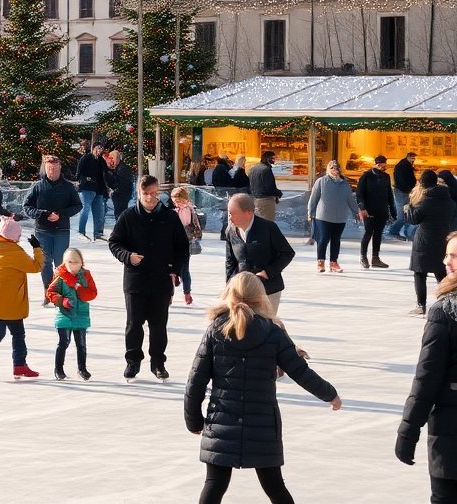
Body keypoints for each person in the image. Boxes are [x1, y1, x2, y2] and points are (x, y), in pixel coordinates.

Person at [184, 272, 341, 504]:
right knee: (275, 487)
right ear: (260, 297)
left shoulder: (215, 331)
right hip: (262, 425)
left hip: (221, 421)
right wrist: (331, 395)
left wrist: (194, 420)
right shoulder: (272, 332)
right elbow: (300, 372)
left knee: (214, 484)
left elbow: (196, 380)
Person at [108, 174, 189, 382]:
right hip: (135, 280)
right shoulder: (128, 216)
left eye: (154, 193)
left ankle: (158, 362)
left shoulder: (170, 217)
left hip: (161, 279)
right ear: (139, 193)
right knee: (134, 323)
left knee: (158, 324)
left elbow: (181, 247)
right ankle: (133, 360)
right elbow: (115, 243)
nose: (151, 198)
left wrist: (175, 269)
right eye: (146, 194)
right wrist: (128, 256)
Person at [397, 233, 457, 499]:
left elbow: (427, 378)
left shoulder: (445, 312)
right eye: (447, 254)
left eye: (454, 256)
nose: (447, 261)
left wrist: (407, 432)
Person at [0, 215, 44, 381]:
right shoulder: (14, 252)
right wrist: (37, 248)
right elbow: (36, 266)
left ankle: (7, 362)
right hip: (12, 300)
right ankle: (5, 360)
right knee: (18, 334)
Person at [223, 192, 295, 318]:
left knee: (266, 327)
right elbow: (230, 260)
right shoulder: (230, 231)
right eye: (228, 213)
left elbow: (287, 253)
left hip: (267, 289)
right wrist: (229, 284)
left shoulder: (268, 228)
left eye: (232, 213)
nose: (229, 217)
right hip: (241, 291)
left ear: (248, 213)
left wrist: (268, 272)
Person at [24, 155, 83, 295]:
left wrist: (61, 214)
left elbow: (77, 206)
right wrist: (43, 214)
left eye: (55, 168)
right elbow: (27, 207)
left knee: (61, 262)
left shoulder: (68, 187)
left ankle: (61, 290)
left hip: (61, 230)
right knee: (44, 263)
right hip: (42, 230)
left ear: (60, 168)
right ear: (45, 168)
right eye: (50, 168)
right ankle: (48, 290)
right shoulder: (37, 187)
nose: (53, 171)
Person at [407, 169, 456, 317]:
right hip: (442, 240)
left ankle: (420, 305)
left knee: (420, 273)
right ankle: (447, 301)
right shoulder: (448, 200)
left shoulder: (426, 201)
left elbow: (413, 219)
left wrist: (408, 208)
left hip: (424, 242)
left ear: (423, 183)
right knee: (441, 273)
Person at [46, 246, 96, 381]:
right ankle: (59, 369)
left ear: (82, 263)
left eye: (76, 262)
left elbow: (92, 294)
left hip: (81, 315)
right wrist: (62, 301)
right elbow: (50, 292)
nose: (73, 265)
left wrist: (78, 287)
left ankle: (82, 368)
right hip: (64, 315)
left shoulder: (86, 275)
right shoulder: (60, 276)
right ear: (64, 262)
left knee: (81, 344)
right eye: (70, 262)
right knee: (64, 342)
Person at [307, 160, 355, 273]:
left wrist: (356, 211)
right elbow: (314, 198)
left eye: (337, 168)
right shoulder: (321, 181)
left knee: (336, 240)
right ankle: (321, 261)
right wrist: (310, 212)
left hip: (340, 217)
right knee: (323, 239)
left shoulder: (344, 183)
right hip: (323, 216)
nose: (335, 170)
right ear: (328, 169)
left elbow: (350, 198)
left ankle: (334, 262)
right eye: (332, 168)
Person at [357, 154, 396, 270]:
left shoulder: (386, 177)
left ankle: (375, 257)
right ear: (377, 164)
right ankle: (363, 256)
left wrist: (393, 211)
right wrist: (362, 208)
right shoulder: (366, 176)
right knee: (368, 232)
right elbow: (359, 194)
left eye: (385, 165)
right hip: (369, 210)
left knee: (378, 234)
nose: (385, 167)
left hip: (382, 209)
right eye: (383, 165)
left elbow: (389, 194)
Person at [170, 186, 201, 305]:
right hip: (176, 243)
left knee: (183, 269)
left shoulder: (186, 210)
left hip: (182, 243)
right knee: (177, 270)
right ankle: (177, 293)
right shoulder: (184, 208)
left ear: (183, 199)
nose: (175, 203)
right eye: (174, 201)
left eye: (177, 201)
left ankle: (186, 293)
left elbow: (183, 224)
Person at [75, 142, 109, 241]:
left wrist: (109, 187)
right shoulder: (86, 158)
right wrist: (85, 179)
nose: (99, 150)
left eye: (101, 148)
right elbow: (79, 173)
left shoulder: (101, 161)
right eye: (98, 148)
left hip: (98, 190)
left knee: (99, 212)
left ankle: (98, 233)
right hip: (86, 188)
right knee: (85, 209)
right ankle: (81, 232)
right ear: (93, 148)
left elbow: (105, 175)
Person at [389, 150, 420, 241]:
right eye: (412, 158)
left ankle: (407, 233)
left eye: (414, 158)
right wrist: (410, 188)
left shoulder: (405, 165)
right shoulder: (403, 166)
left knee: (407, 214)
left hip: (404, 191)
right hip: (402, 192)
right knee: (402, 216)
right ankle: (393, 232)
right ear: (408, 157)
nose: (413, 160)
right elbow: (403, 180)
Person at [248, 150, 283, 221]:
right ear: (268, 159)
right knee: (268, 223)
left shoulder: (252, 169)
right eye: (273, 158)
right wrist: (279, 193)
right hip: (265, 201)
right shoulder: (266, 170)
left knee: (257, 223)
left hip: (254, 199)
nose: (274, 161)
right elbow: (269, 188)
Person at [105, 150, 135, 223]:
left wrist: (114, 192)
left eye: (112, 158)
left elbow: (122, 184)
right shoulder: (120, 167)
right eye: (110, 158)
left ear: (117, 158)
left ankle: (121, 230)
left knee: (120, 214)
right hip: (122, 195)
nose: (111, 160)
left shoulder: (122, 168)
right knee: (120, 214)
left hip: (121, 195)